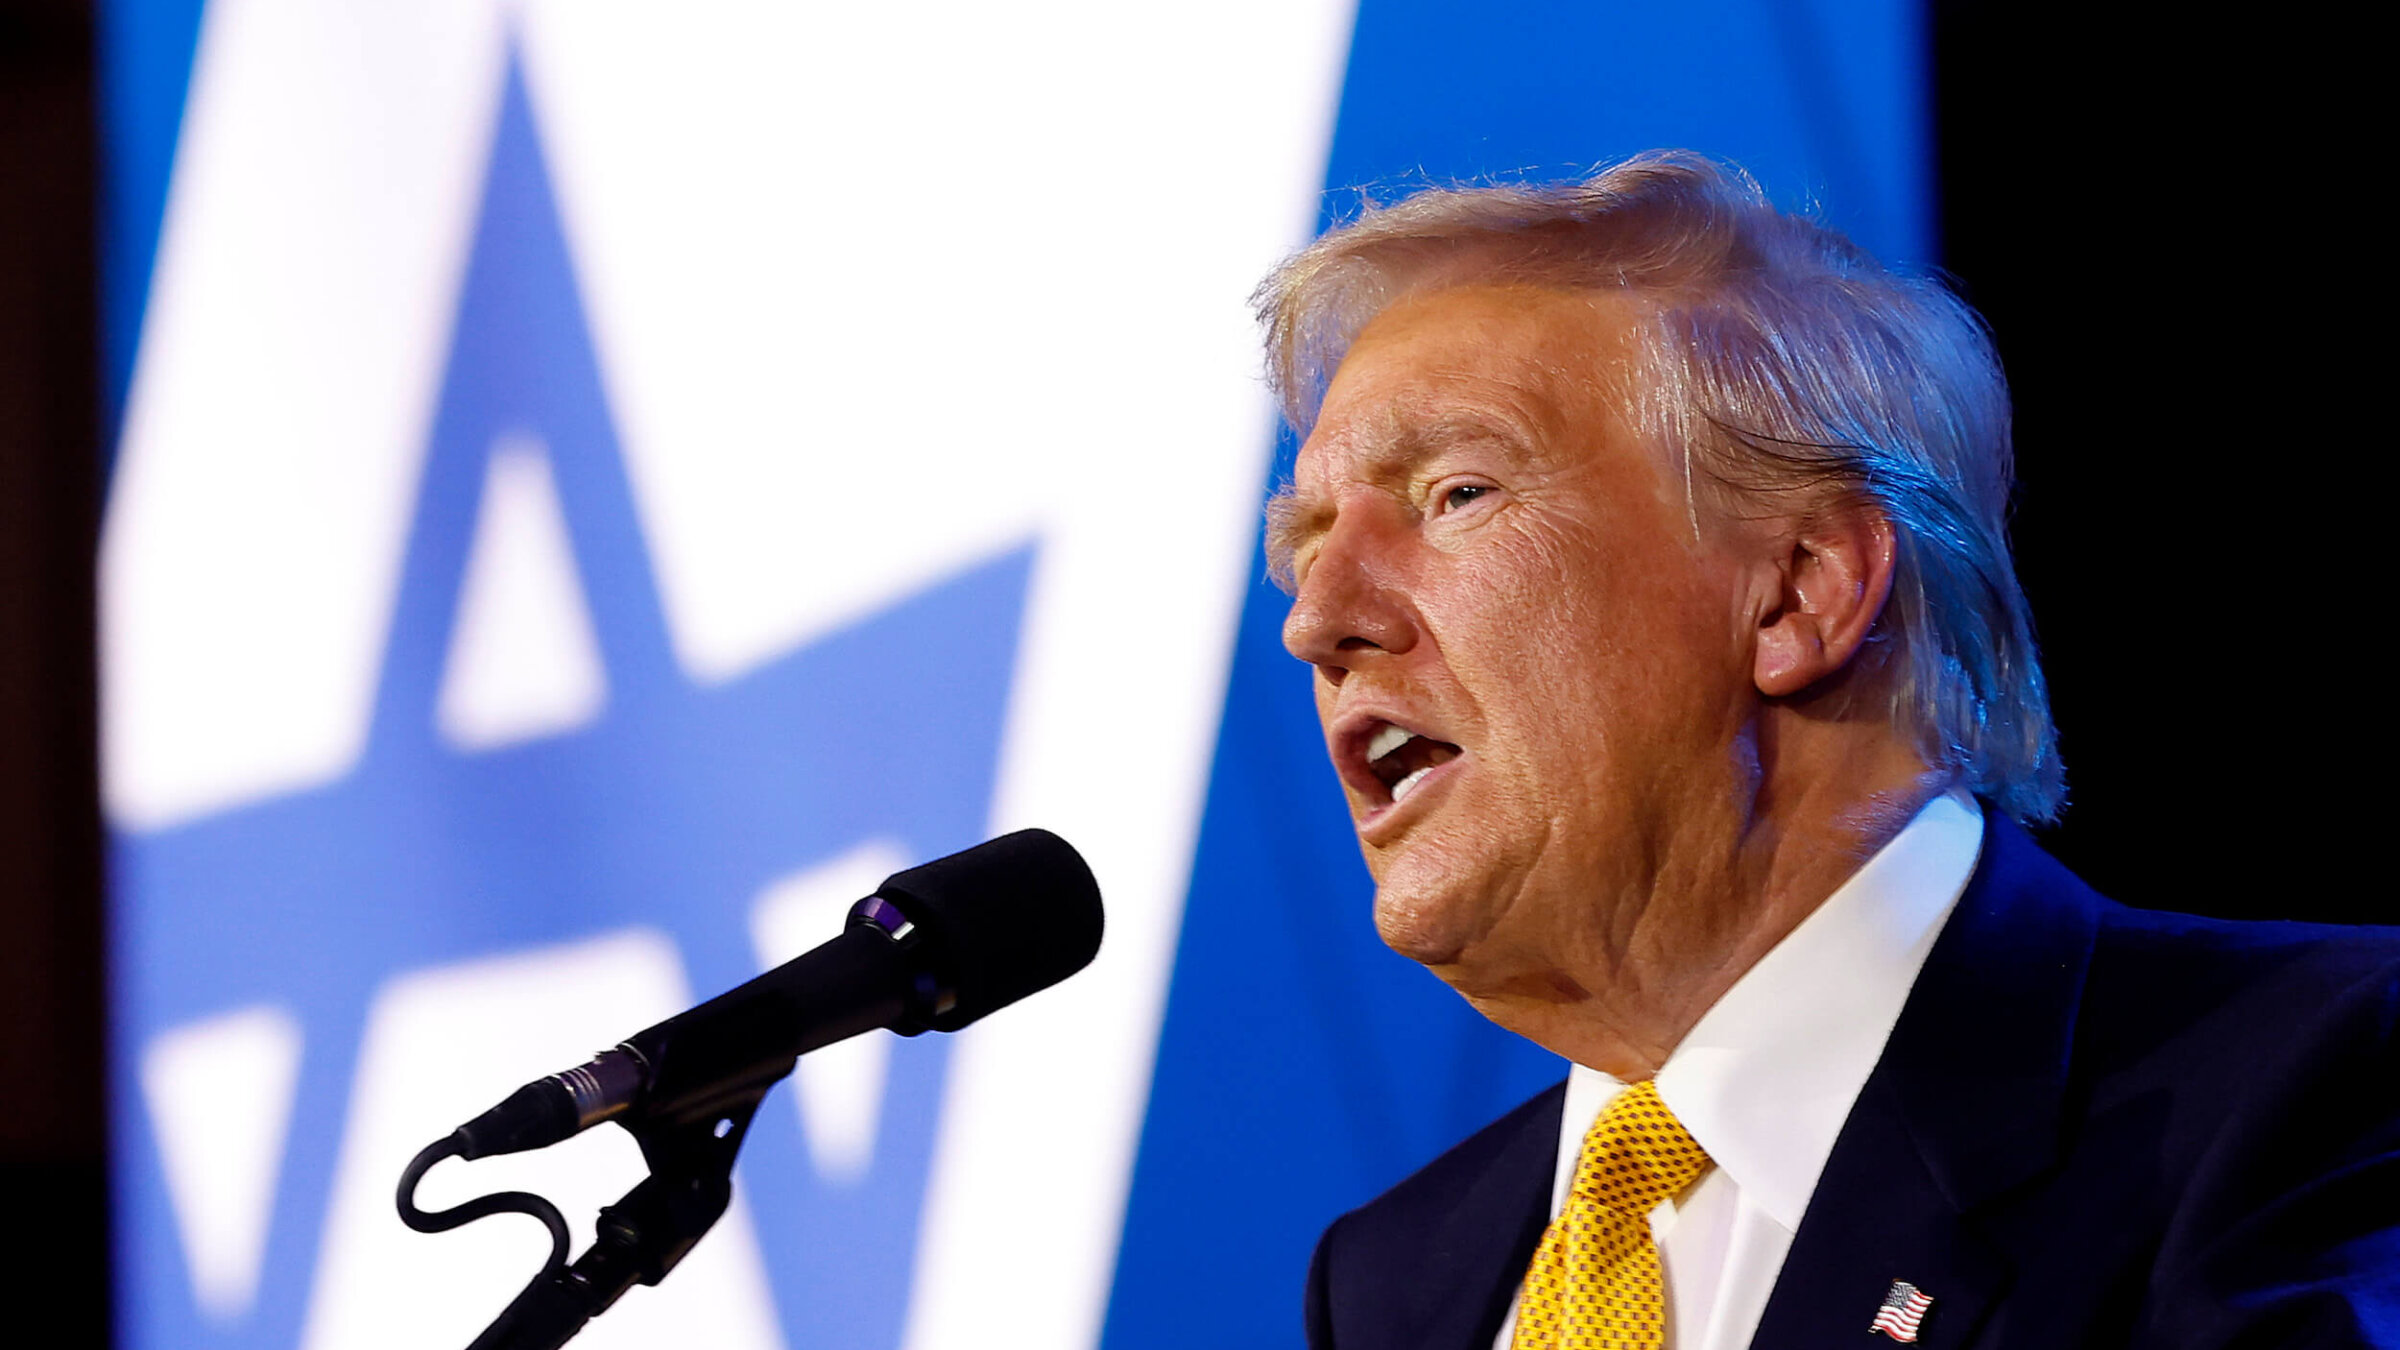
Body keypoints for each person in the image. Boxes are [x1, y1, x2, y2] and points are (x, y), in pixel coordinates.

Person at [1261, 151, 2398, 1350]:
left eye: (1456, 495)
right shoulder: (1398, 1281)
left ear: (1802, 592)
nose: (1316, 618)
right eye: (1305, 545)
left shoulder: (2317, 1079)